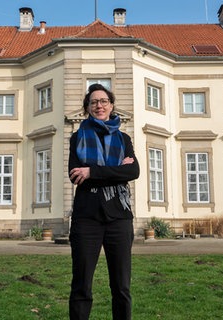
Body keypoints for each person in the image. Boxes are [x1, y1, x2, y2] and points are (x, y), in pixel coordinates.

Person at [68, 83, 140, 320]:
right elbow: (75, 174)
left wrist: (92, 172)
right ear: (87, 108)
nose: (99, 105)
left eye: (104, 101)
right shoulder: (77, 138)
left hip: (119, 217)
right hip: (86, 218)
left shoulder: (123, 138)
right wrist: (115, 169)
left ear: (111, 105)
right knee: (81, 286)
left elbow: (133, 172)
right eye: (94, 102)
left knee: (121, 287)